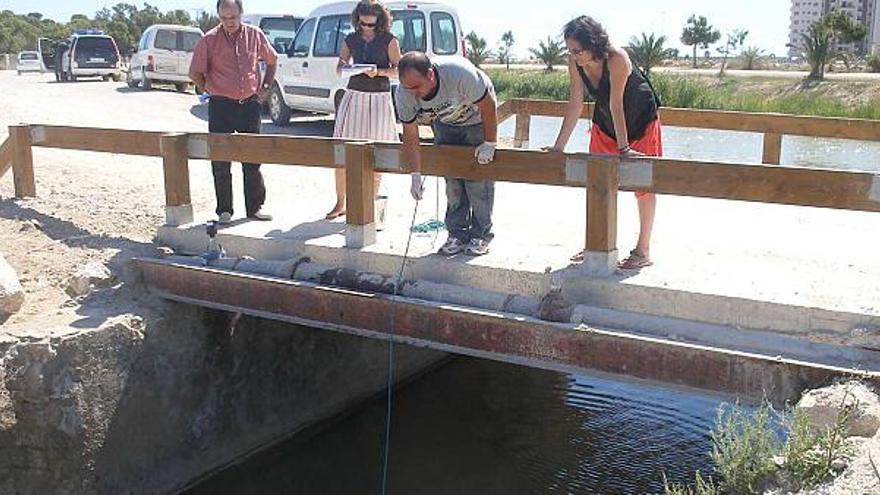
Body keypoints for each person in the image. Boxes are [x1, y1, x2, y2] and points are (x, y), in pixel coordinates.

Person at [546, 16, 662, 270]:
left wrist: (624, 149)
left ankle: (643, 250)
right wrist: (558, 147)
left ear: (593, 43)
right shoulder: (575, 63)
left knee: (643, 186)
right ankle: (596, 244)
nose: (574, 56)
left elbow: (616, 103)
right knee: (596, 181)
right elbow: (576, 103)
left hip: (640, 121)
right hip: (605, 124)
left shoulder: (617, 58)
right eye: (570, 51)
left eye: (578, 50)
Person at [395, 52, 498, 256]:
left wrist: (490, 143)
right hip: (444, 122)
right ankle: (457, 234)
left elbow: (488, 106)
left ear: (431, 75)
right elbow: (410, 133)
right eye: (409, 88)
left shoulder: (460, 74)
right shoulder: (404, 94)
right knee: (452, 183)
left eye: (417, 87)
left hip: (476, 118)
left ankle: (481, 234)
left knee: (477, 181)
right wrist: (415, 174)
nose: (414, 94)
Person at [189, 0, 277, 224]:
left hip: (249, 104)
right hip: (221, 106)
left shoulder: (255, 35)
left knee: (252, 158)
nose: (229, 22)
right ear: (218, 16)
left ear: (241, 14)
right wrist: (210, 89)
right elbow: (195, 73)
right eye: (224, 18)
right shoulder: (208, 40)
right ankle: (224, 210)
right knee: (220, 159)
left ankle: (255, 208)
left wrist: (265, 89)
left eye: (233, 18)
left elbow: (272, 60)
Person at [325, 0, 402, 221]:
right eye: (363, 24)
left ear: (380, 22)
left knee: (377, 153)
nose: (366, 28)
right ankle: (341, 203)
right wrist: (347, 68)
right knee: (342, 150)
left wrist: (377, 72)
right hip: (354, 96)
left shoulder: (390, 40)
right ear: (357, 20)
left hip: (379, 99)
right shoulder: (350, 39)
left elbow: (399, 71)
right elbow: (340, 68)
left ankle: (370, 205)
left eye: (371, 25)